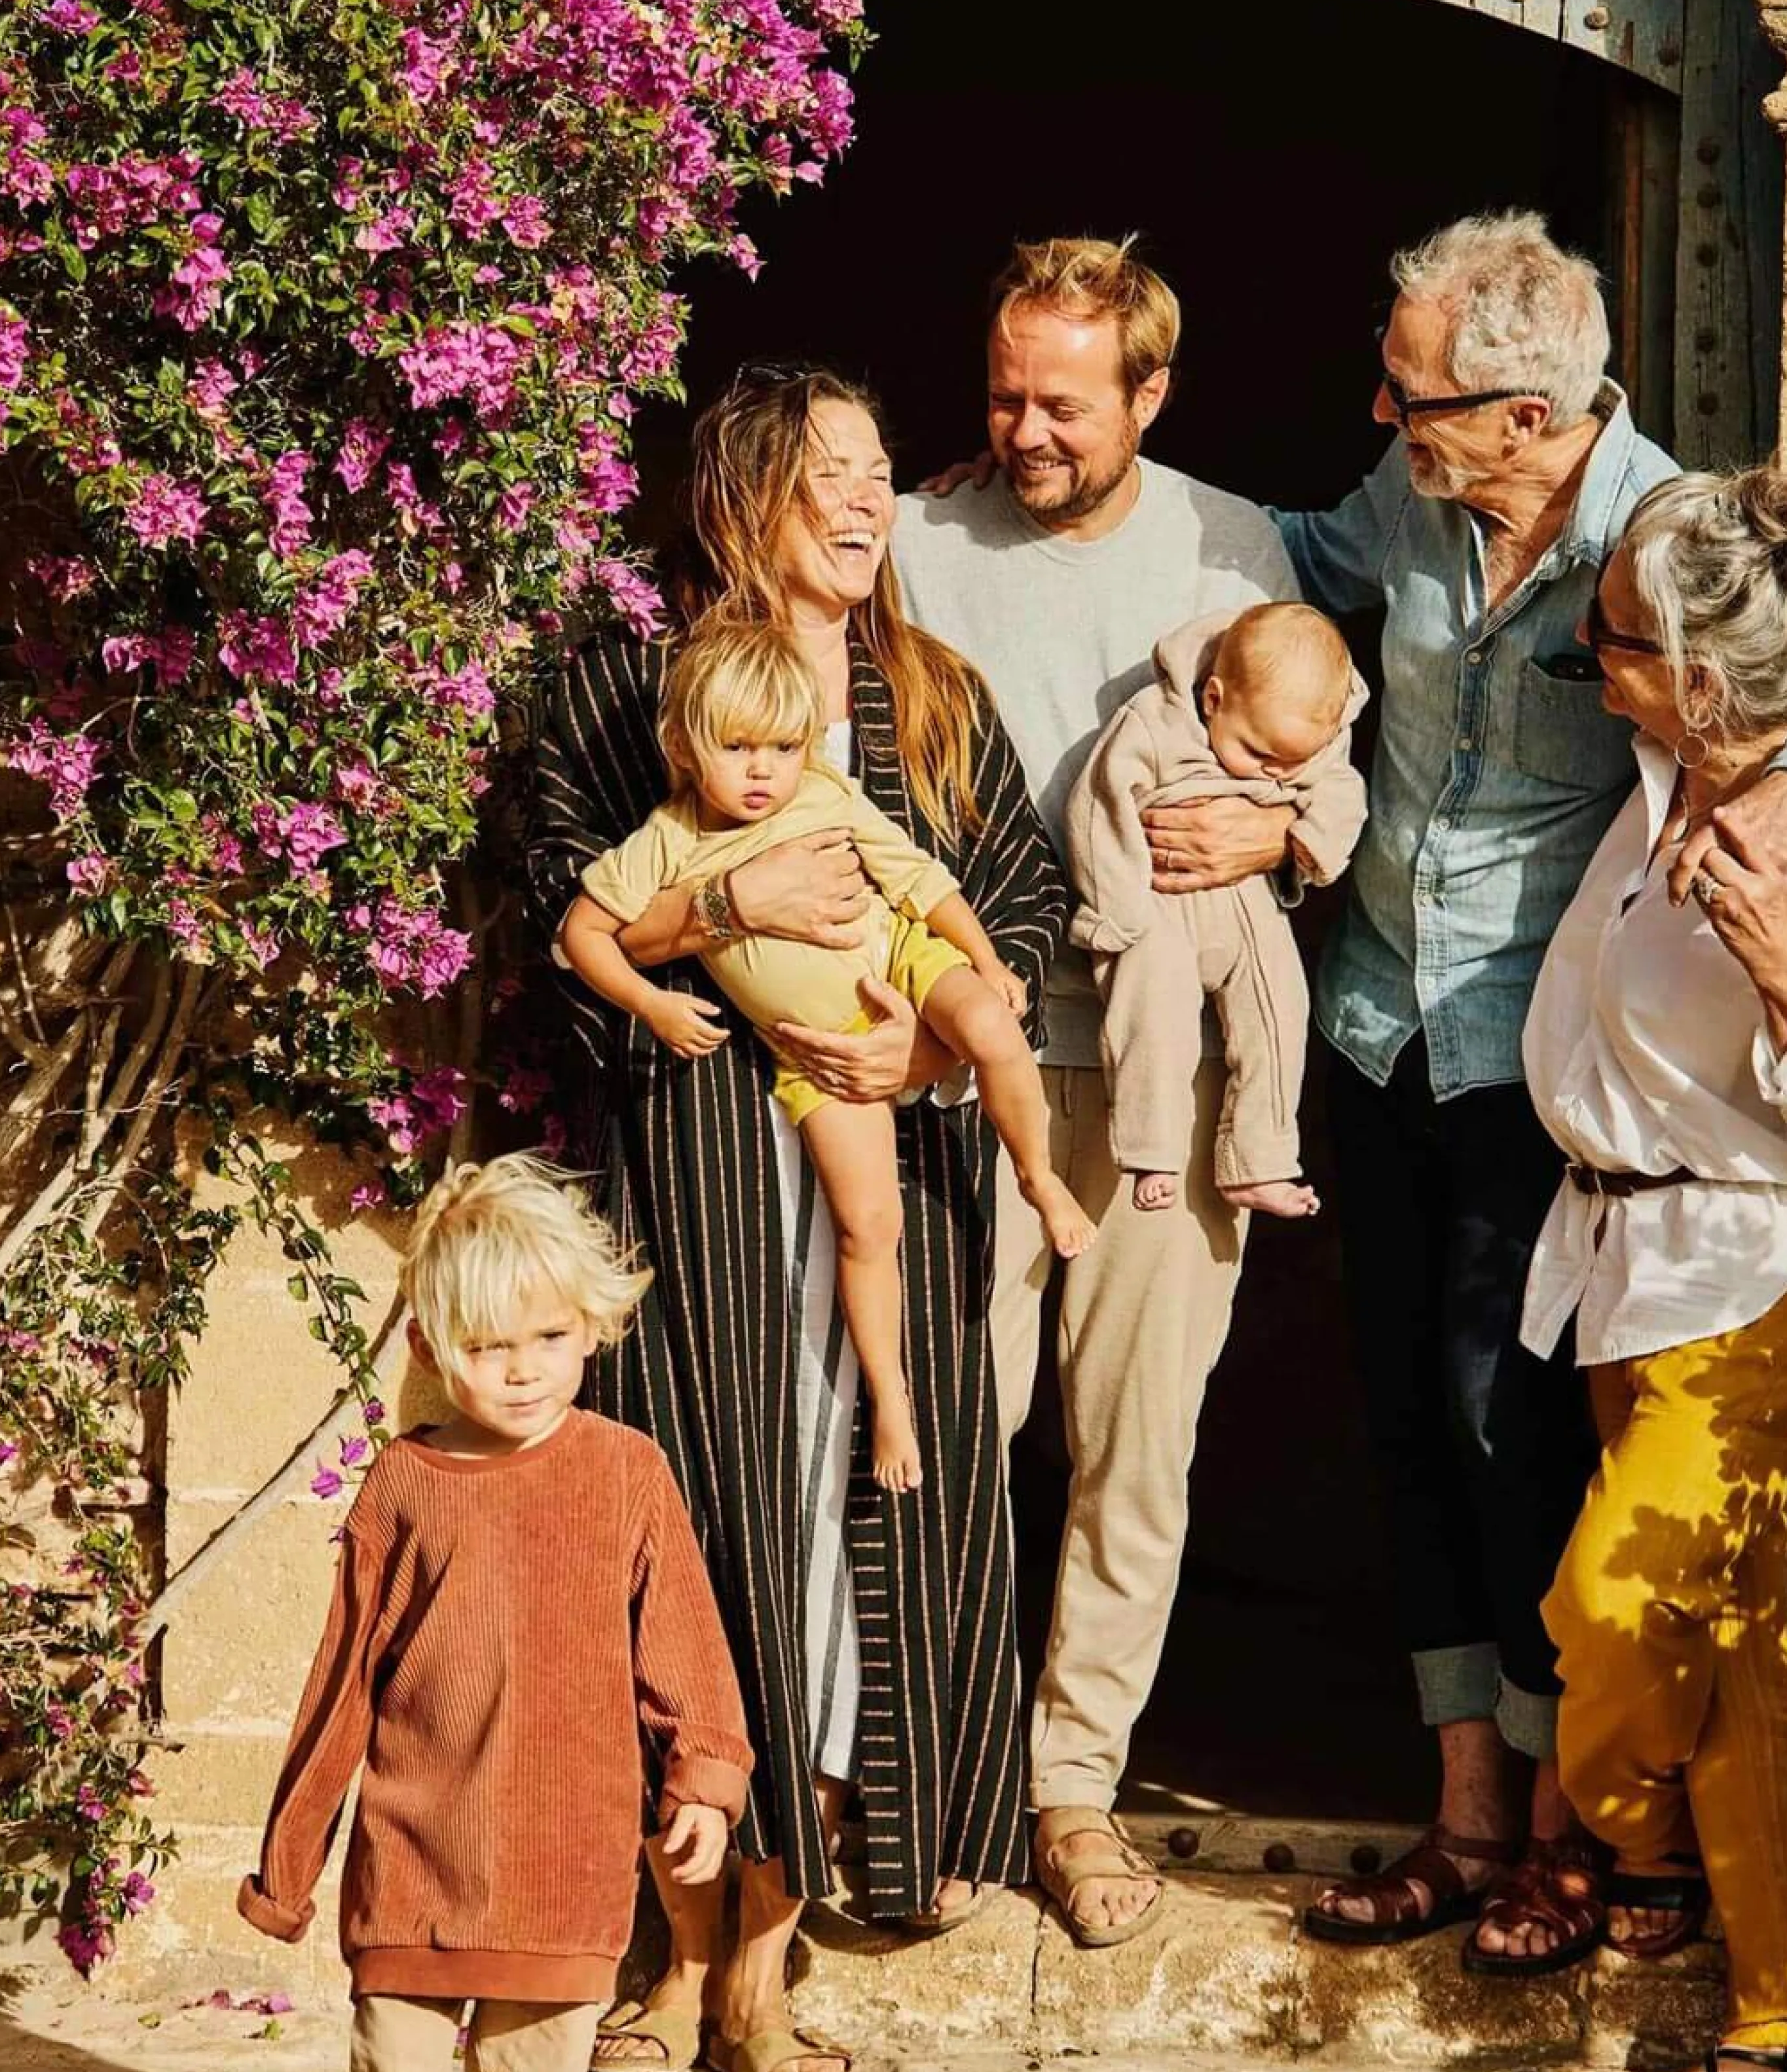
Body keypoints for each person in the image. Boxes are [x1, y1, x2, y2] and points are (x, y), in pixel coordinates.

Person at [1274, 213, 1787, 1971]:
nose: (1385, 412)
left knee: (1516, 1441)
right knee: (1413, 1422)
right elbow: (1278, 549)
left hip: (1536, 1072)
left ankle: (1572, 1839)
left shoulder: (1671, 543)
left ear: (1518, 410)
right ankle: (1469, 1815)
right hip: (1378, 1022)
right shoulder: (1408, 493)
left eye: (1414, 393)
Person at [528, 365, 1063, 2072]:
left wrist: (936, 1041)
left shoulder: (937, 699)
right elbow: (553, 921)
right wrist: (709, 912)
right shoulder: (621, 694)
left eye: (883, 471)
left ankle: (763, 1977)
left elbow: (1026, 911)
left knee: (851, 1568)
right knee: (695, 1559)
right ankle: (677, 1965)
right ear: (739, 493)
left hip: (884, 1197)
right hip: (695, 1199)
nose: (866, 499)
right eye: (829, 470)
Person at [891, 237, 1304, 1949]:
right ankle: (939, 1785)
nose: (1024, 429)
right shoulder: (915, 540)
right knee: (942, 1433)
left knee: (1133, 1451)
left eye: (1065, 402)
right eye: (1003, 391)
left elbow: (1319, 755)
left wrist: (1285, 830)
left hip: (1166, 1086)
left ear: (1150, 393)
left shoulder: (1233, 547)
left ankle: (1073, 1797)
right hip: (967, 1061)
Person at [1522, 469, 1787, 2072]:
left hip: (1762, 1268)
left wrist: (1783, 968)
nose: (1588, 652)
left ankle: (1635, 1834)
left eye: (1615, 644)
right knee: (1734, 1635)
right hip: (1634, 1260)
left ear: (1698, 683)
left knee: (1625, 1609)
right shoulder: (1674, 761)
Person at [238, 1155, 754, 2072]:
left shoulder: (627, 1471)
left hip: (564, 1874)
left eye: (549, 1337)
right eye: (486, 1347)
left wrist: (706, 1782)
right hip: (413, 1870)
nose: (523, 1371)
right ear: (431, 1350)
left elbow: (687, 1647)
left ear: (592, 1327)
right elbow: (342, 1684)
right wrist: (288, 1869)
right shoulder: (404, 1482)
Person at [561, 619, 1092, 1491]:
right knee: (867, 1226)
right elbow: (583, 935)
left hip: (903, 962)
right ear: (682, 746)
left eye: (783, 744)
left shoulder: (824, 793)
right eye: (737, 748)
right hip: (814, 1058)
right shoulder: (669, 837)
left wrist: (989, 963)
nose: (764, 769)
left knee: (994, 1031)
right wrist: (652, 1002)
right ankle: (891, 1400)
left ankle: (1037, 1174)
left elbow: (922, 880)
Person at [1065, 603, 1368, 1219]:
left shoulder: (1309, 744)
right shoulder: (1154, 724)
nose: (1277, 772)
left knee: (1282, 1008)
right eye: (1260, 755)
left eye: (1294, 762)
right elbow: (1099, 810)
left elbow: (1344, 797)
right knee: (1154, 1010)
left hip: (1248, 903)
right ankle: (1153, 1148)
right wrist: (1113, 911)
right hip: (1161, 901)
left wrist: (1306, 840)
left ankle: (1260, 1159)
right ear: (1212, 698)